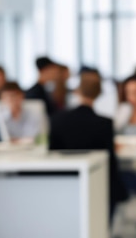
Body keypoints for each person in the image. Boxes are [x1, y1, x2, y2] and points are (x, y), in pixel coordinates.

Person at [48, 69, 129, 222]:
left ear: (77, 92)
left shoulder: (57, 120)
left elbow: (52, 155)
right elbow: (109, 161)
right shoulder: (104, 124)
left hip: (65, 185)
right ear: (98, 93)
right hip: (97, 184)